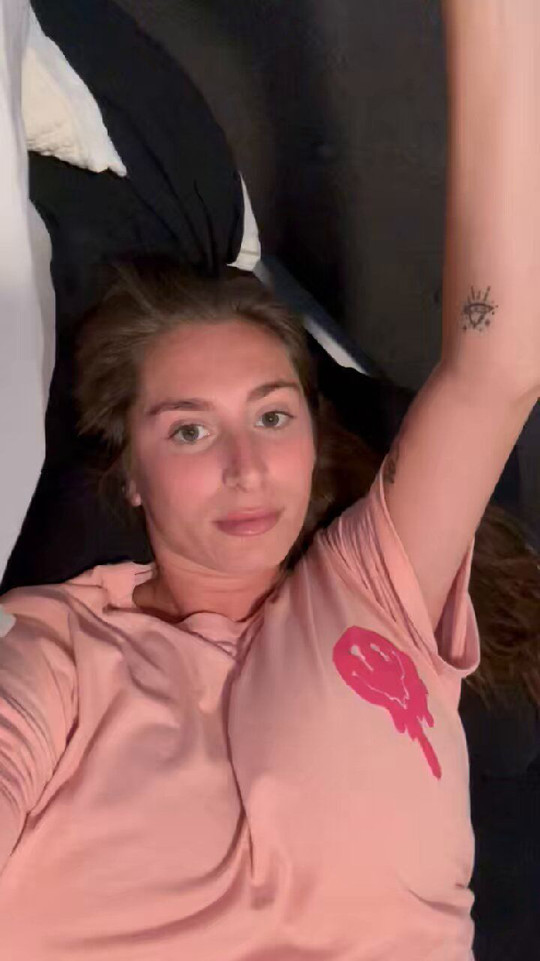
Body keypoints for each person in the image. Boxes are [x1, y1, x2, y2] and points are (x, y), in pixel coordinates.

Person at [1, 1, 539, 957]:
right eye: (190, 429)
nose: (246, 466)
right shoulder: (59, 652)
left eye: (273, 415)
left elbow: (497, 367)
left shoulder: (373, 587)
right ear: (131, 473)